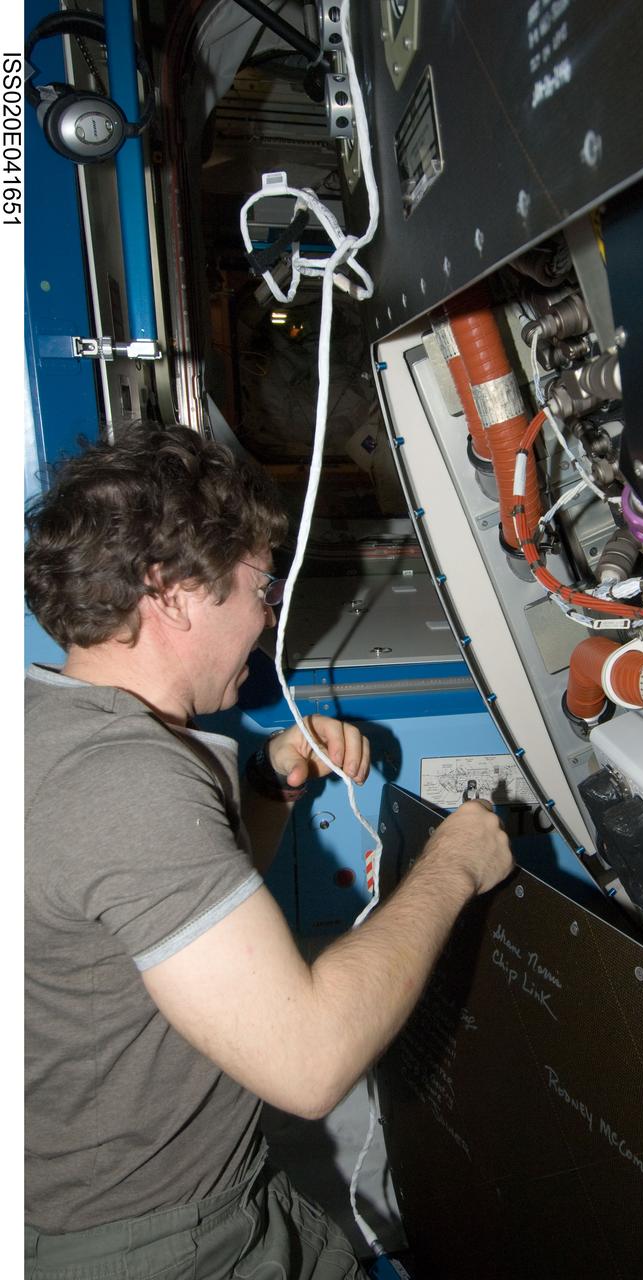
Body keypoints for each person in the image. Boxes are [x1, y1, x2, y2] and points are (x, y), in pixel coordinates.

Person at [24, 423, 513, 1279]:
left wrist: (267, 786)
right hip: (162, 1242)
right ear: (171, 591)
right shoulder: (127, 784)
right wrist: (455, 861)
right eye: (261, 588)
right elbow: (309, 1059)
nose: (269, 615)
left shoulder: (53, 726)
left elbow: (160, 931)